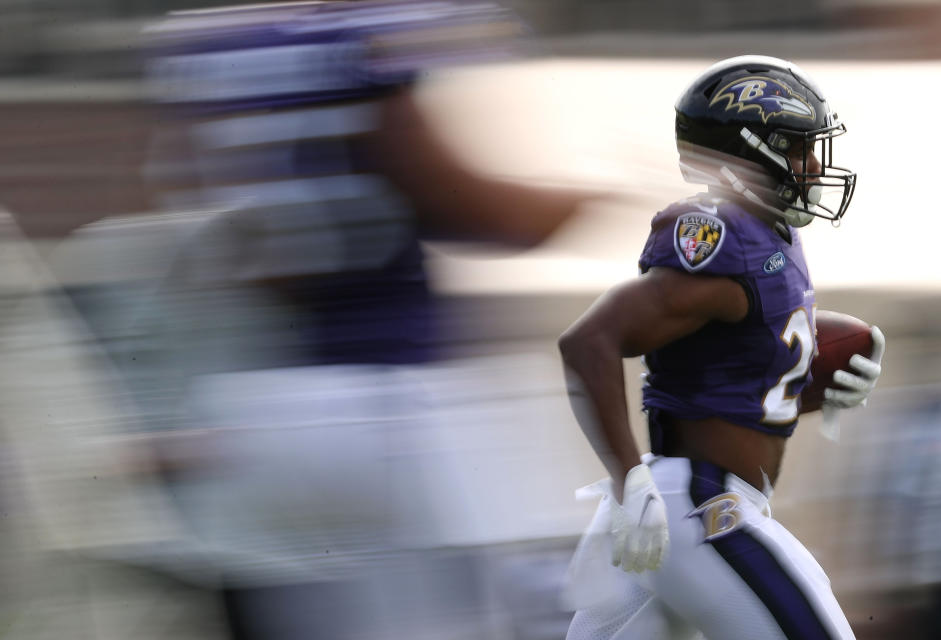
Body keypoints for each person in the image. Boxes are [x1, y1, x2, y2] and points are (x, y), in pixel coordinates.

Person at [137, 2, 604, 639]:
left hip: (260, 411)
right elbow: (456, 200)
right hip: (393, 410)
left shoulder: (205, 43)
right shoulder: (358, 36)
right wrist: (591, 199)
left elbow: (207, 233)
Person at [558, 55, 885, 640]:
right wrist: (627, 479)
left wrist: (819, 357)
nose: (813, 165)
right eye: (796, 147)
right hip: (698, 508)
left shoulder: (764, 237)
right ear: (744, 150)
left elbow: (733, 363)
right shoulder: (722, 237)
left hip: (682, 504)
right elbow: (591, 340)